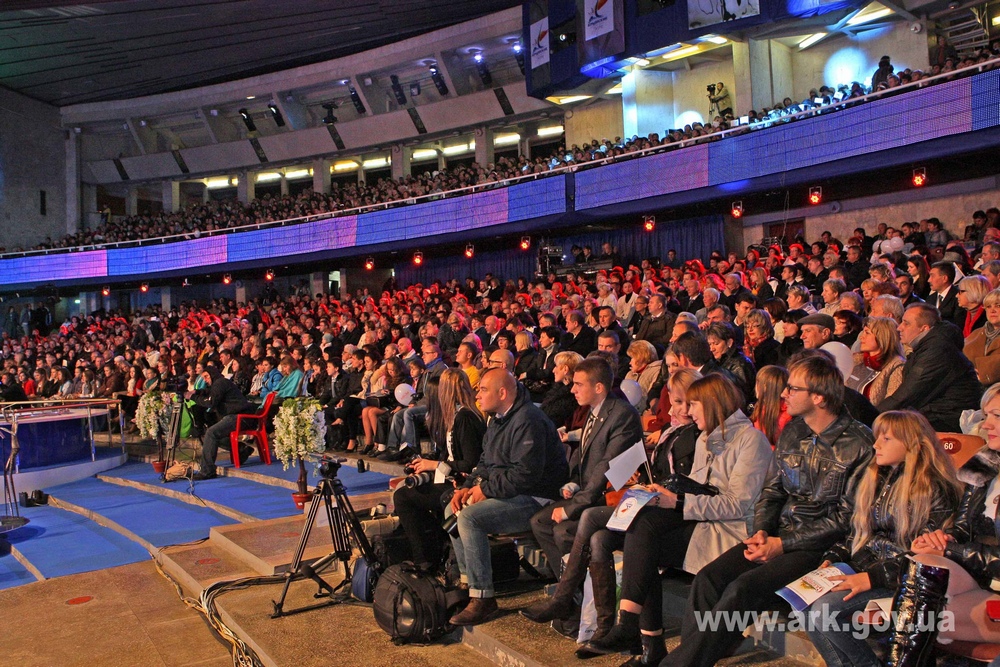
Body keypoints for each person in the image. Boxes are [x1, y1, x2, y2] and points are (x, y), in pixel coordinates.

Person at [660, 351, 874, 667]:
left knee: (741, 589)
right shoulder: (794, 431)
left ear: (818, 397)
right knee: (708, 580)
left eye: (793, 388)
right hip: (778, 534)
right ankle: (692, 661)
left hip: (820, 547)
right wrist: (762, 530)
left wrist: (782, 544)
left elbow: (847, 518)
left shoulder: (858, 441)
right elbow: (772, 491)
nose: (783, 394)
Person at [581, 374, 774, 662]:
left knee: (638, 535)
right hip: (702, 521)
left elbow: (737, 504)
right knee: (633, 528)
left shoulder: (751, 440)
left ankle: (636, 632)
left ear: (712, 403)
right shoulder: (707, 436)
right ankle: (646, 641)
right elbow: (698, 485)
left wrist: (678, 500)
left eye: (692, 404)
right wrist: (666, 490)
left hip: (730, 530)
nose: (686, 411)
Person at [520, 369, 703, 654]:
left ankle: (565, 596)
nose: (678, 410)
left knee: (589, 518)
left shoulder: (692, 433)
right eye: (675, 403)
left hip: (671, 511)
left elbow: (688, 481)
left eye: (684, 403)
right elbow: (609, 467)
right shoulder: (669, 431)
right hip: (646, 500)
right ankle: (604, 627)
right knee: (597, 539)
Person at [805, 410, 961, 667]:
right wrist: (835, 557)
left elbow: (925, 559)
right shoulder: (879, 477)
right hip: (870, 568)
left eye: (886, 438)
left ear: (911, 444)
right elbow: (859, 533)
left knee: (824, 612)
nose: (875, 444)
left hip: (902, 581)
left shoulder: (934, 488)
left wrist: (872, 577)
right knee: (805, 604)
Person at [446, 369, 569, 626]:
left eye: (483, 390)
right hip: (512, 491)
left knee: (469, 518)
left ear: (502, 393)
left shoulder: (528, 420)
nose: (477, 395)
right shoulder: (498, 419)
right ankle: (470, 585)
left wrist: (486, 490)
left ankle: (483, 599)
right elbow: (485, 463)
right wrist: (468, 486)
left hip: (537, 498)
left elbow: (525, 476)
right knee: (452, 510)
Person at [901, 385, 1000, 659]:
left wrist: (950, 550)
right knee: (921, 562)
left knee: (916, 618)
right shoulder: (985, 461)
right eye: (986, 415)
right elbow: (962, 525)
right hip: (981, 580)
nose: (986, 424)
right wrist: (941, 539)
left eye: (997, 416)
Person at [529, 357, 642, 593]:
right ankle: (569, 587)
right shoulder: (594, 411)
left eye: (579, 384)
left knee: (562, 530)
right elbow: (585, 458)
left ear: (598, 387)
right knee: (539, 522)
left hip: (608, 496)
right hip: (588, 491)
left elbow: (607, 467)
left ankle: (575, 591)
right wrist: (573, 482)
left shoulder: (622, 415)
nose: (572, 389)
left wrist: (572, 507)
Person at [394, 370, 486, 569]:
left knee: (403, 498)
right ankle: (430, 549)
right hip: (451, 476)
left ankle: (424, 558)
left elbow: (470, 463)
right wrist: (425, 464)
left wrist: (434, 465)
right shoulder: (456, 416)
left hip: (463, 482)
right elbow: (449, 456)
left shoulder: (465, 418)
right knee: (404, 490)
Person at [879, 303, 983, 432]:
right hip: (935, 415)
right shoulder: (929, 347)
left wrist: (871, 415)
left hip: (947, 421)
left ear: (924, 328)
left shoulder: (937, 351)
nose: (899, 328)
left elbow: (907, 395)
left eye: (906, 323)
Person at [192, 367, 258, 480]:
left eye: (207, 376)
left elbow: (211, 402)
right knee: (211, 435)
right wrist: (197, 392)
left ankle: (207, 471)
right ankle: (241, 449)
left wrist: (193, 397)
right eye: (203, 378)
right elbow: (209, 392)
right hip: (236, 416)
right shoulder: (219, 383)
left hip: (240, 416)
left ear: (212, 374)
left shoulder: (220, 383)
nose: (205, 380)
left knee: (211, 433)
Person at [846, 316, 905, 406]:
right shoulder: (855, 359)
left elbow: (891, 404)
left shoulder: (896, 366)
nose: (861, 337)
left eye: (867, 333)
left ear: (882, 337)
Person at [964, 287, 1000, 386]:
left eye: (998, 306)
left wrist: (982, 371)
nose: (992, 310)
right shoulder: (977, 333)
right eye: (988, 306)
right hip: (971, 386)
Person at [539, 350, 583, 430]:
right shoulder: (558, 389)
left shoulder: (571, 396)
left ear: (565, 369)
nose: (553, 370)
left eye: (556, 366)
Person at [750, 365, 790, 447]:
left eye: (758, 383)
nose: (755, 387)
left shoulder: (786, 415)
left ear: (765, 387)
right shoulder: (760, 407)